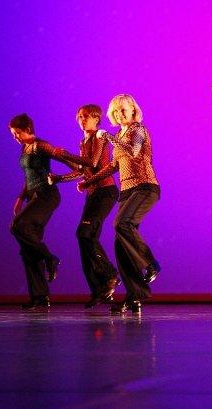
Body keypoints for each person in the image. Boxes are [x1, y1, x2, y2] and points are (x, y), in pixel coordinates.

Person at [77, 94, 161, 314]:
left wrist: (107, 137)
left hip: (145, 187)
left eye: (123, 109)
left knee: (122, 223)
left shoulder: (138, 130)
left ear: (133, 110)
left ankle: (150, 262)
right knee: (120, 247)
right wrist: (88, 181)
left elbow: (133, 152)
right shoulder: (119, 135)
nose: (119, 114)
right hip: (126, 191)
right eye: (116, 111)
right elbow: (113, 165)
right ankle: (135, 297)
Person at [48, 104, 121, 308]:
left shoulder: (99, 136)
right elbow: (82, 170)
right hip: (93, 195)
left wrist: (65, 154)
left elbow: (92, 162)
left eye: (86, 116)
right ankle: (100, 289)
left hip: (105, 192)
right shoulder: (84, 142)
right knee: (85, 237)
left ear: (96, 119)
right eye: (80, 116)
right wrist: (60, 178)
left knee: (84, 234)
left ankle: (109, 275)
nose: (82, 119)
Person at [9, 113, 77, 310]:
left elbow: (69, 162)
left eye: (17, 133)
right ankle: (40, 296)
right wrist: (20, 197)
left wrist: (63, 177)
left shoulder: (41, 145)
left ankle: (50, 257)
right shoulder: (25, 148)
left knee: (17, 226)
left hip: (47, 196)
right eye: (13, 134)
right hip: (33, 197)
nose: (15, 137)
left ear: (28, 129)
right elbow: (29, 176)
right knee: (27, 249)